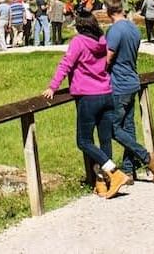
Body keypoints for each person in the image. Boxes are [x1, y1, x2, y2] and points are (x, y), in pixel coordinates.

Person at [42, 10, 129, 198]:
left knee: (84, 141)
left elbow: (65, 64)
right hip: (106, 93)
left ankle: (114, 173)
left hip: (88, 97)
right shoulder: (102, 40)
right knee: (105, 140)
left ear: (79, 25)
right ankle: (102, 182)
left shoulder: (78, 42)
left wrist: (52, 87)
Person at [103, 0, 154, 183]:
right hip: (132, 81)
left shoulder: (115, 31)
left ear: (108, 9)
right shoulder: (134, 29)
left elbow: (107, 58)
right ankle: (129, 170)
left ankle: (146, 157)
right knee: (128, 127)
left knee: (112, 129)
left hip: (118, 84)